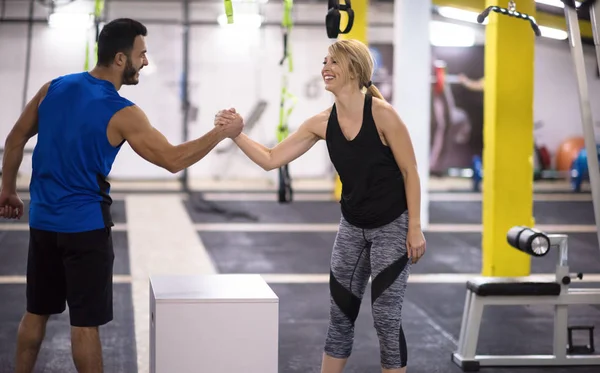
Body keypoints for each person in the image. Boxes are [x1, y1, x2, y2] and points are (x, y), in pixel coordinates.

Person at [0, 18, 242, 373]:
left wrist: (7, 190)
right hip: (85, 230)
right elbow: (173, 160)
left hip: (44, 224)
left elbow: (15, 138)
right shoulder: (122, 111)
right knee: (84, 324)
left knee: (36, 312)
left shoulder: (53, 88)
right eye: (141, 54)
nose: (144, 61)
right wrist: (221, 133)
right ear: (119, 59)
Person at [216, 39, 426, 373]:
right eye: (324, 62)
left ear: (354, 69)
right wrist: (236, 134)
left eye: (334, 63)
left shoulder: (384, 116)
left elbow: (410, 171)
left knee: (386, 318)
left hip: (391, 226)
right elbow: (271, 159)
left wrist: (414, 227)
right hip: (352, 227)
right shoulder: (320, 122)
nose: (325, 68)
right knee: (340, 316)